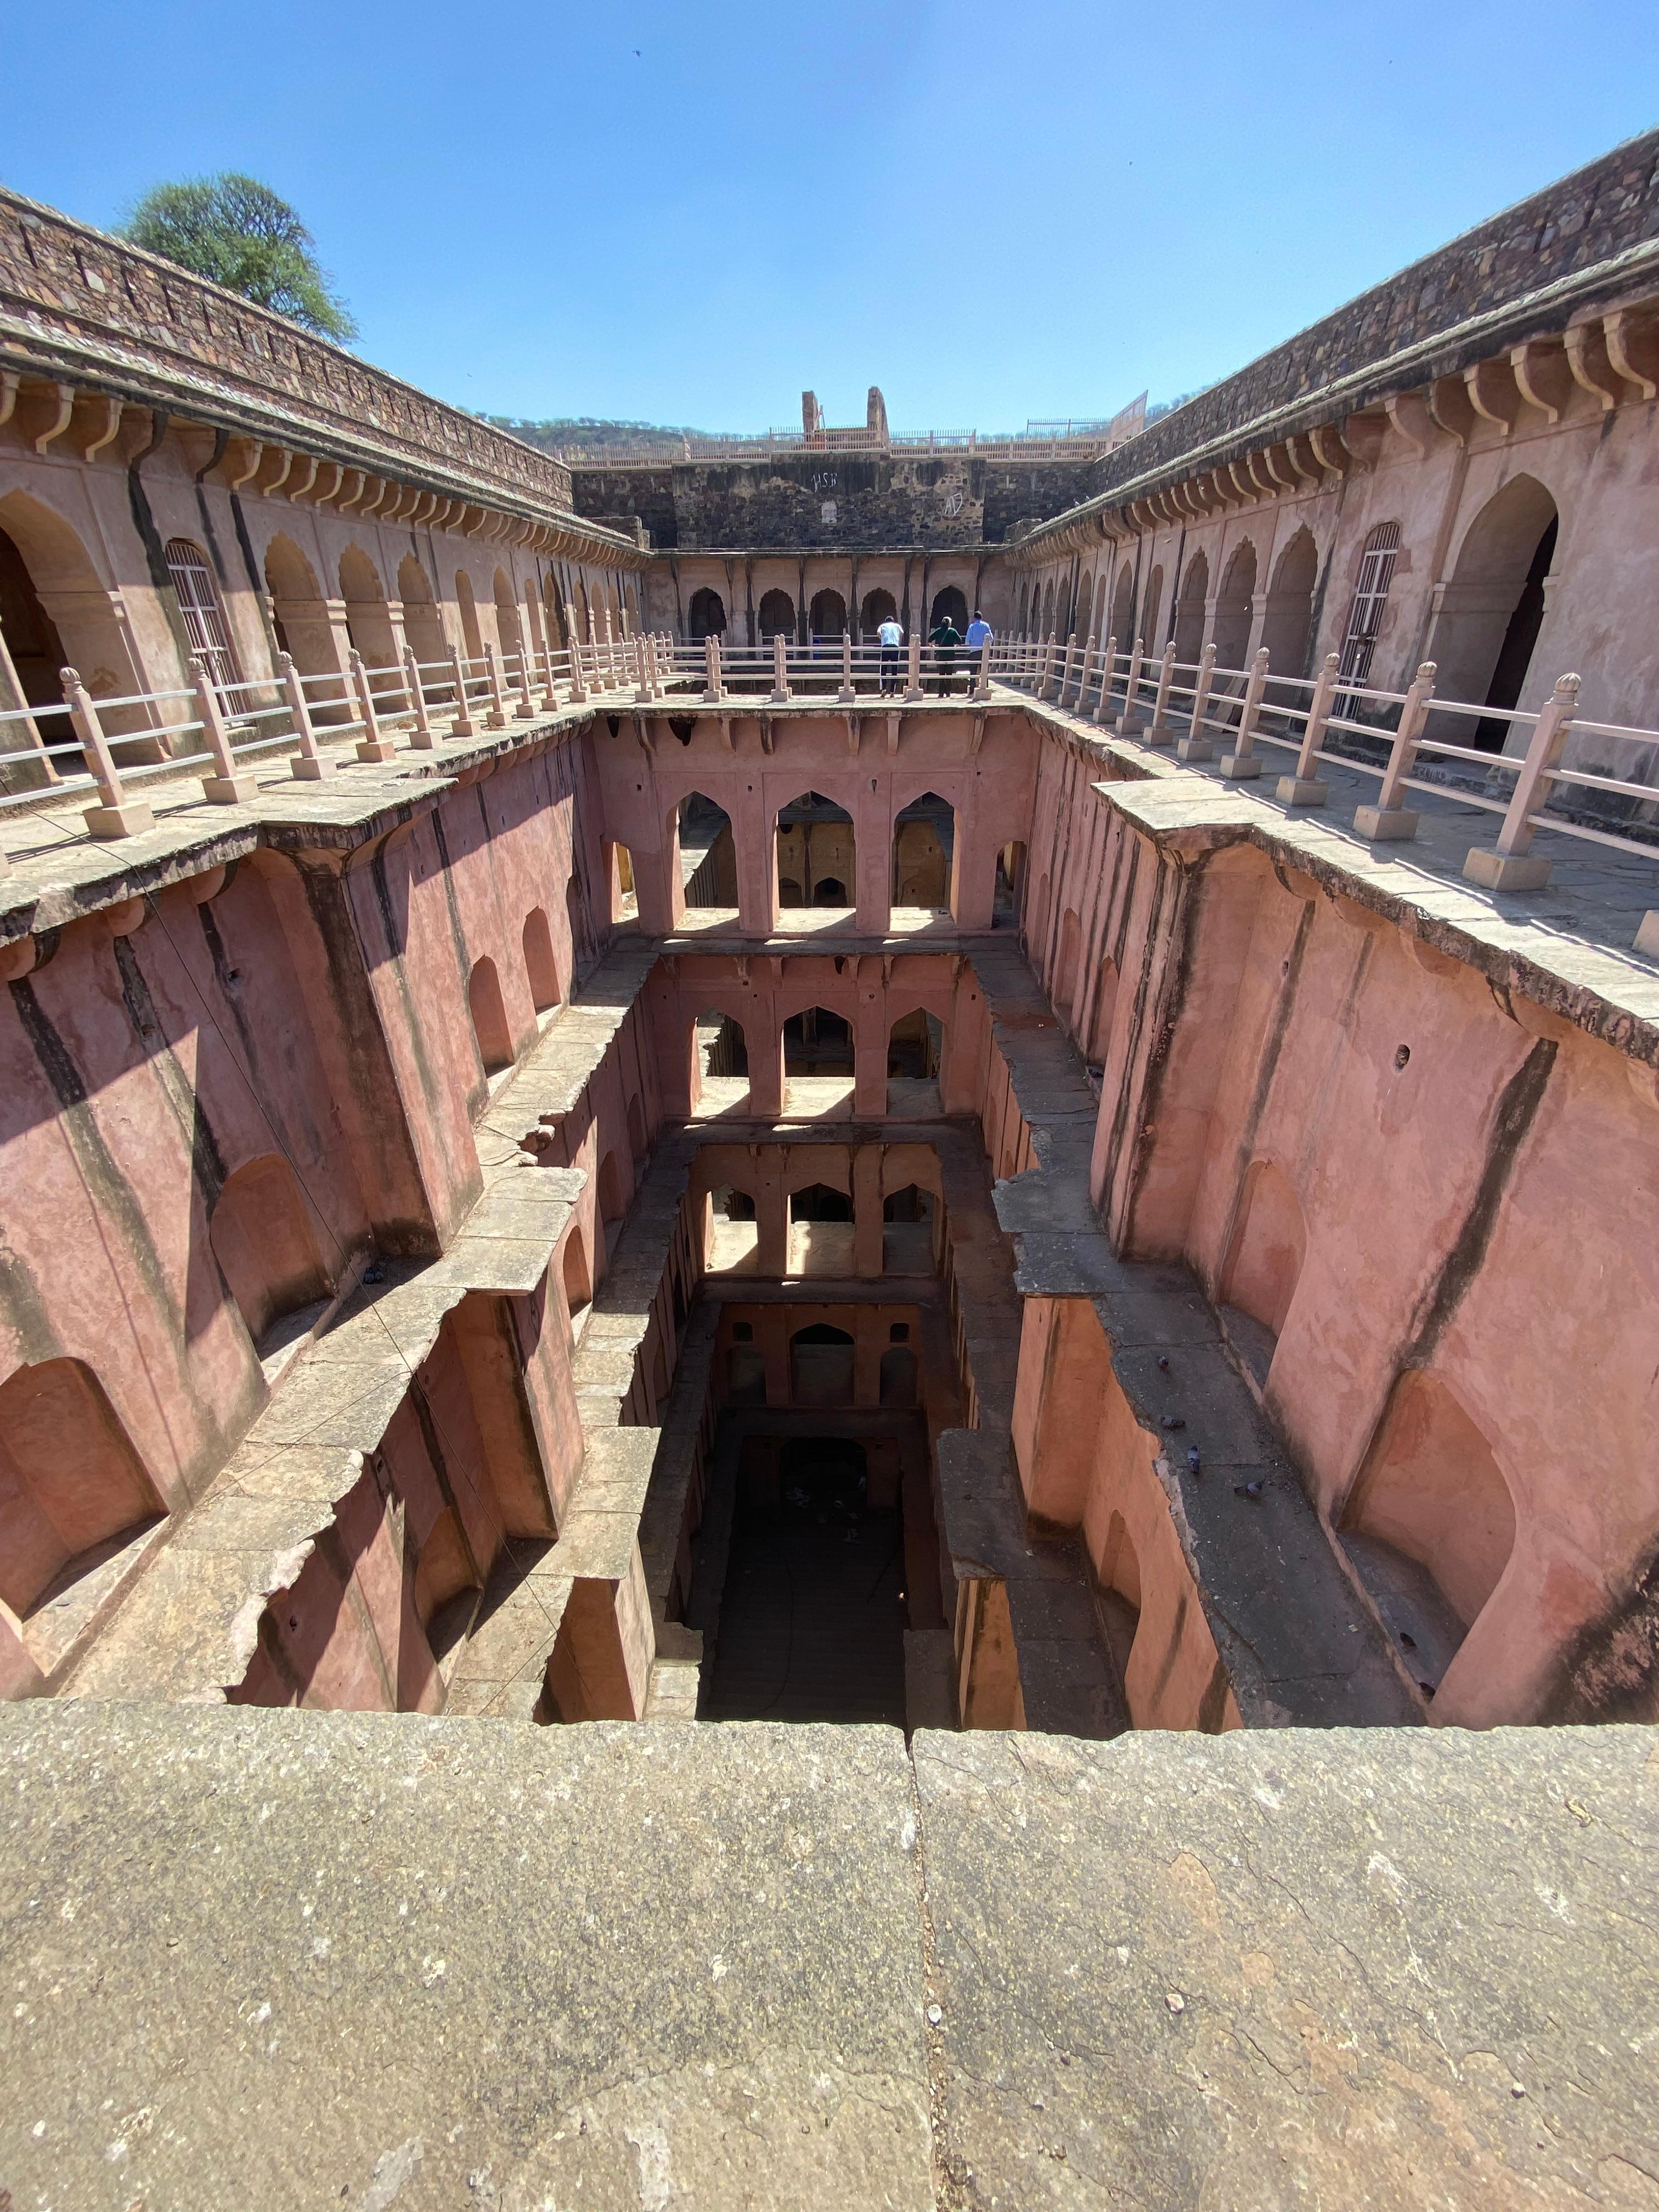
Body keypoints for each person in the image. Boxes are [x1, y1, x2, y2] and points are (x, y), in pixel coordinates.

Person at [929, 610, 963, 696]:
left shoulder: (939, 630)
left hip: (941, 656)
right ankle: (948, 693)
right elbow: (960, 641)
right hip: (950, 655)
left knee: (941, 675)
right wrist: (955, 648)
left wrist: (933, 647)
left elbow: (930, 638)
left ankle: (941, 693)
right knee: (949, 675)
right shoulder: (953, 631)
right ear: (950, 624)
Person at [877, 611, 903, 695]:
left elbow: (878, 632)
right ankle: (892, 691)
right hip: (895, 646)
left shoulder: (883, 625)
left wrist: (882, 639)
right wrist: (897, 638)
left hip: (885, 646)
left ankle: (884, 689)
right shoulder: (897, 625)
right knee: (894, 669)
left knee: (884, 668)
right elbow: (902, 633)